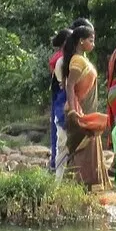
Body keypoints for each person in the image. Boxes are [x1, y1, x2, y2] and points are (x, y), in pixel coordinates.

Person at [62, 25, 111, 190]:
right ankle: (76, 186)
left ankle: (88, 186)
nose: (93, 44)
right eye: (91, 40)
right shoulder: (77, 60)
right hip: (79, 111)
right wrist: (74, 111)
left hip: (86, 109)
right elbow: (70, 86)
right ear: (81, 41)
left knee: (88, 146)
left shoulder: (82, 59)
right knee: (79, 149)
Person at [49, 28, 71, 178]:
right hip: (63, 99)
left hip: (60, 98)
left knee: (60, 137)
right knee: (62, 138)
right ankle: (59, 173)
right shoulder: (62, 60)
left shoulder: (63, 58)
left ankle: (58, 169)